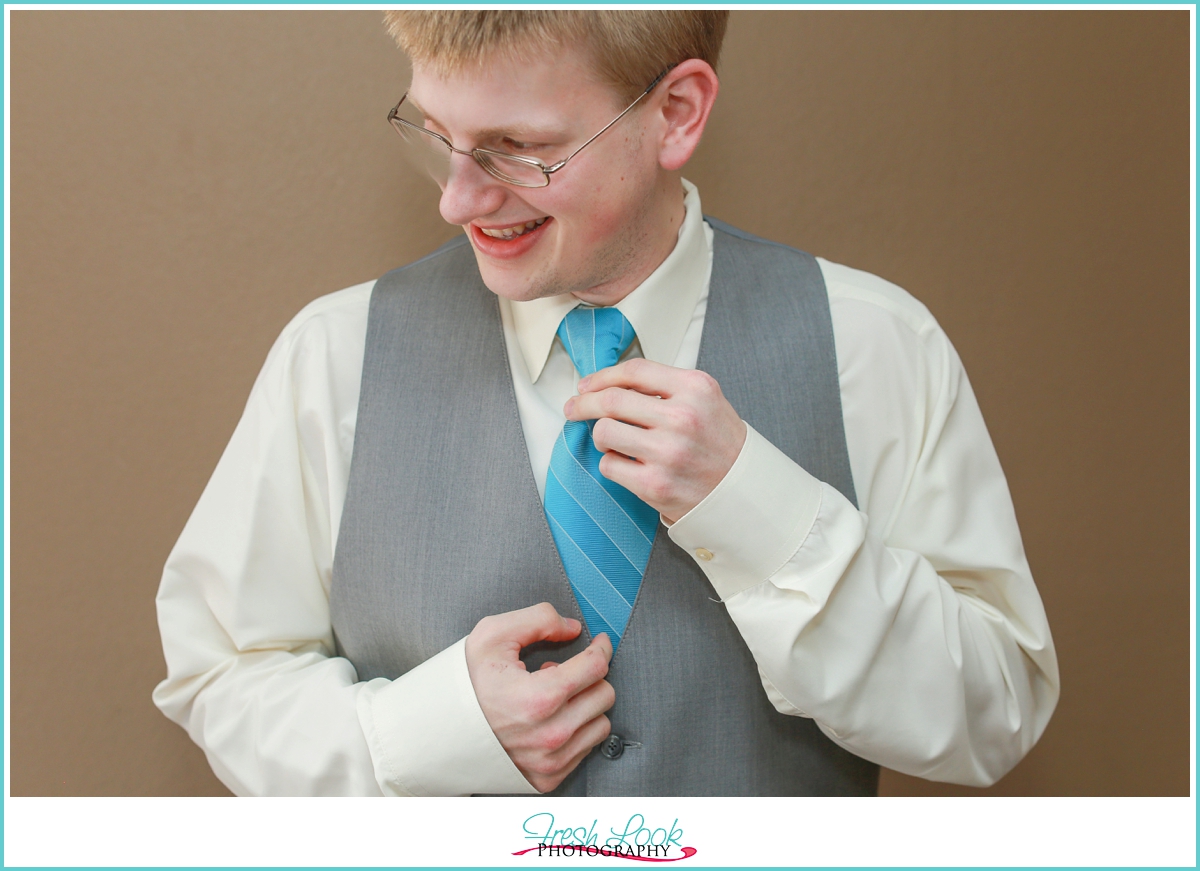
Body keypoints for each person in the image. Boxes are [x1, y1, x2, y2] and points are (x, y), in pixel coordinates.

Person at [152, 10, 1059, 796]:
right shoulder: (332, 355)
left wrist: (763, 510)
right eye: (436, 135)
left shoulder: (877, 344)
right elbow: (219, 674)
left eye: (518, 149)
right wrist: (426, 733)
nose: (458, 200)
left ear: (676, 113)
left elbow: (997, 714)